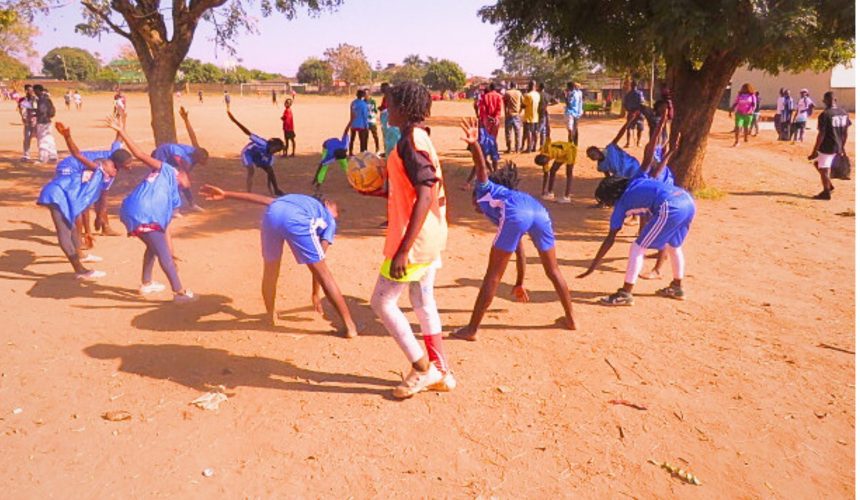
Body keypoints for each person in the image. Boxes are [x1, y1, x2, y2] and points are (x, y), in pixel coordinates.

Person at [452, 118, 576, 341]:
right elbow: (519, 249)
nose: (474, 207)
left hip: (518, 212)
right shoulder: (505, 202)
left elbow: (481, 167)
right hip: (539, 211)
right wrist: (519, 283)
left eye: (474, 202)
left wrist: (474, 144)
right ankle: (571, 319)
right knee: (554, 270)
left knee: (493, 275)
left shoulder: (485, 189)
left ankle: (471, 330)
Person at [369, 81, 454, 398]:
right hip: (430, 232)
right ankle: (441, 370)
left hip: (414, 240)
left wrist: (404, 249)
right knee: (422, 302)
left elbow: (425, 191)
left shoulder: (410, 141)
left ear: (403, 108)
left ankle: (422, 369)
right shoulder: (419, 137)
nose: (384, 108)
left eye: (388, 103)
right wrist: (380, 189)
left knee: (381, 301)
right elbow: (413, 187)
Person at [198, 185, 359, 336]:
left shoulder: (300, 200)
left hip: (272, 215)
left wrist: (226, 194)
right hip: (297, 220)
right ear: (336, 213)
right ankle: (349, 326)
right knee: (324, 273)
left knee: (270, 270)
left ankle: (270, 314)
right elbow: (319, 265)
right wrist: (315, 293)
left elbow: (263, 200)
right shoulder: (329, 220)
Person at [578, 150, 695, 306]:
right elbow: (649, 160)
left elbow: (610, 239)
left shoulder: (621, 204)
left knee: (637, 248)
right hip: (687, 200)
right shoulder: (636, 179)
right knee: (674, 245)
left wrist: (592, 267)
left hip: (670, 206)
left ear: (611, 196)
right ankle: (677, 286)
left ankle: (625, 293)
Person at [107, 119, 196, 302]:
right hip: (143, 213)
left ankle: (146, 283)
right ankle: (179, 293)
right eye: (188, 178)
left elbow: (166, 230)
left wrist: (171, 251)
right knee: (162, 253)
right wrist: (121, 131)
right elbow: (139, 154)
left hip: (131, 210)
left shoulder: (173, 196)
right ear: (182, 173)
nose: (189, 183)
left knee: (154, 247)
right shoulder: (167, 169)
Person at [36, 123, 132, 280]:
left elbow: (96, 199)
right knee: (64, 231)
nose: (113, 170)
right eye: (108, 166)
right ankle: (79, 270)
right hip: (56, 195)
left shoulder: (108, 173)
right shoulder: (99, 169)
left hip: (64, 196)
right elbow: (77, 154)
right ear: (104, 165)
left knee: (73, 228)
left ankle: (79, 255)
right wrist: (67, 137)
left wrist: (99, 217)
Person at [151, 106, 210, 212]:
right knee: (163, 179)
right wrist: (184, 177)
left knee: (182, 182)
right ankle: (171, 208)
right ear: (198, 157)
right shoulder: (185, 161)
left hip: (172, 157)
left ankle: (191, 204)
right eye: (204, 160)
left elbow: (192, 135)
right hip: (163, 154)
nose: (205, 162)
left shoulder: (195, 152)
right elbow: (183, 176)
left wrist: (186, 119)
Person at [227, 110, 285, 196]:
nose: (275, 152)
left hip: (258, 157)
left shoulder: (270, 157)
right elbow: (247, 132)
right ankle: (248, 193)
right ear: (273, 145)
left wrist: (271, 188)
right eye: (276, 149)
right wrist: (234, 120)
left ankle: (276, 189)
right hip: (248, 153)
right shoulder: (262, 143)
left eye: (277, 151)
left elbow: (269, 173)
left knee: (270, 170)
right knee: (251, 170)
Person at [807, 91, 851, 200]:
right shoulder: (843, 113)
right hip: (838, 145)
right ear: (835, 100)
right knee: (818, 164)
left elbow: (821, 134)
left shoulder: (825, 115)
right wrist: (842, 146)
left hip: (827, 146)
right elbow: (845, 132)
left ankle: (826, 192)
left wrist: (814, 151)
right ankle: (829, 185)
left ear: (825, 101)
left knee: (824, 169)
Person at [312, 125, 351, 196]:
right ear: (335, 158)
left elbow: (346, 131)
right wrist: (315, 178)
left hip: (336, 146)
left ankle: (352, 180)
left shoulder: (344, 146)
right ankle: (319, 183)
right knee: (325, 167)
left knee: (346, 166)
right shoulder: (330, 155)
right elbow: (321, 165)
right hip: (326, 146)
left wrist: (350, 122)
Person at [33, 85, 58, 163]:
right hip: (48, 121)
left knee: (42, 140)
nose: (35, 92)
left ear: (39, 90)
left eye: (35, 90)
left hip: (42, 121)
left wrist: (35, 113)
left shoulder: (41, 100)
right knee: (49, 138)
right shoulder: (46, 98)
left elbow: (42, 111)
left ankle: (43, 157)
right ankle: (53, 155)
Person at [379, 82, 401, 157]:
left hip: (388, 118)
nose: (380, 89)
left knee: (391, 136)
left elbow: (388, 107)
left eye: (382, 88)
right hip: (387, 118)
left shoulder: (389, 96)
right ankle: (388, 153)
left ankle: (390, 155)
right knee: (387, 136)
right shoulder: (387, 96)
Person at [622, 80, 645, 147]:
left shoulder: (628, 94)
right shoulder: (640, 93)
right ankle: (638, 142)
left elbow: (625, 104)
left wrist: (629, 110)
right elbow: (642, 102)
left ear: (631, 86)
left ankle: (628, 143)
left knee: (628, 128)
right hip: (639, 112)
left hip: (631, 112)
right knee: (639, 128)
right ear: (636, 86)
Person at [503, 81, 523, 153]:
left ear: (510, 86)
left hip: (509, 114)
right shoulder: (519, 93)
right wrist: (520, 111)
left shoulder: (507, 93)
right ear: (516, 86)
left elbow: (504, 104)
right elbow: (523, 104)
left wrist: (506, 113)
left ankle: (509, 149)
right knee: (517, 132)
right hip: (517, 115)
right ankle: (517, 149)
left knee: (508, 133)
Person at [349, 89, 370, 155]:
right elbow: (365, 116)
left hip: (353, 124)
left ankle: (350, 151)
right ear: (363, 95)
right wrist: (366, 125)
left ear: (356, 95)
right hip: (361, 125)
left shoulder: (353, 103)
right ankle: (362, 153)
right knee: (362, 140)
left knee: (352, 139)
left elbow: (351, 113)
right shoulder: (364, 104)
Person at [18, 84, 36, 161]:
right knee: (27, 138)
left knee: (41, 138)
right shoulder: (22, 100)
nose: (31, 91)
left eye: (32, 90)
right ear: (26, 91)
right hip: (27, 122)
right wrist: (23, 117)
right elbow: (20, 109)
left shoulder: (36, 99)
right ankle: (26, 155)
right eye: (29, 90)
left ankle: (44, 155)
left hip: (36, 121)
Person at [521, 81, 541, 153]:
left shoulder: (528, 95)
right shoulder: (538, 94)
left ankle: (529, 148)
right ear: (535, 86)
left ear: (529, 86)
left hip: (529, 117)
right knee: (535, 132)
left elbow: (523, 105)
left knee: (529, 132)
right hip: (536, 116)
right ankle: (534, 147)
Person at [537, 82, 550, 146]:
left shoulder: (537, 94)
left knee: (539, 129)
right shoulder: (547, 95)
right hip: (544, 112)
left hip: (537, 112)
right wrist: (548, 105)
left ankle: (533, 145)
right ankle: (542, 145)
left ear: (539, 87)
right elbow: (556, 101)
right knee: (543, 130)